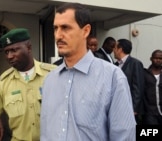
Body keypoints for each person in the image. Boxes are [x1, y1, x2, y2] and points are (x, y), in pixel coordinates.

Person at [40, 3, 136, 141]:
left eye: (65, 28)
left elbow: (124, 136)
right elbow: (46, 132)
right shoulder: (50, 80)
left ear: (85, 31)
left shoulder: (112, 77)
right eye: (55, 28)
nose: (58, 35)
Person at [113, 38, 144, 124]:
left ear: (120, 49)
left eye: (115, 47)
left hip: (130, 108)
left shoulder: (135, 63)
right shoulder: (115, 65)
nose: (113, 50)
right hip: (117, 107)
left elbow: (138, 87)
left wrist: (134, 108)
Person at [143, 49, 162, 125]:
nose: (158, 60)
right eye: (156, 58)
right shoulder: (145, 73)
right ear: (151, 59)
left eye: (160, 59)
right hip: (149, 112)